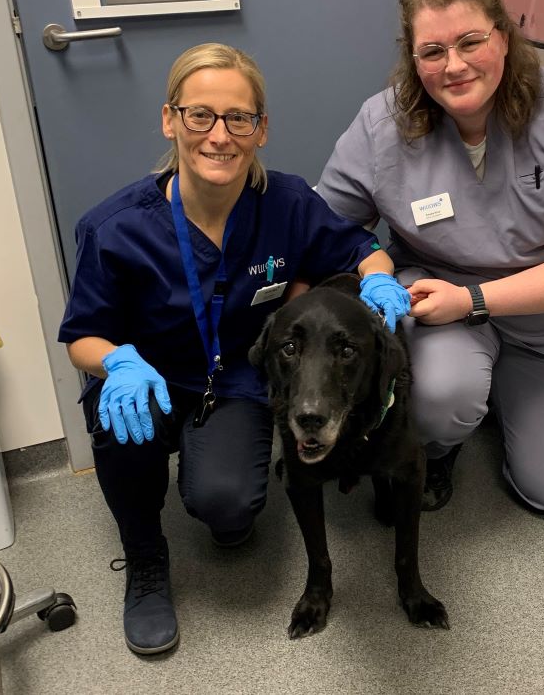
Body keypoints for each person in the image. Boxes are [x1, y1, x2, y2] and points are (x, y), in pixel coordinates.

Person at [58, 43, 409, 656]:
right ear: (171, 121)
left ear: (261, 129)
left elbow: (360, 248)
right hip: (149, 379)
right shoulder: (114, 227)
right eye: (200, 116)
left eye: (238, 118)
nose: (219, 136)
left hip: (236, 380)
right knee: (122, 430)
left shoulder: (287, 203)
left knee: (228, 505)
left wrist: (380, 277)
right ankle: (145, 563)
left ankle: (220, 498)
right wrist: (115, 360)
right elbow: (81, 336)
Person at [317, 0, 544, 519]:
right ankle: (438, 448)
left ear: (503, 38)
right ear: (413, 59)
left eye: (471, 42)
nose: (453, 65)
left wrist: (475, 301)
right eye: (432, 51)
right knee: (441, 400)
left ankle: (517, 391)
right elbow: (325, 229)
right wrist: (377, 271)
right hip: (439, 298)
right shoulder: (382, 124)